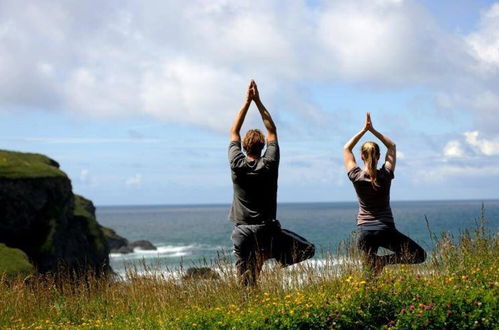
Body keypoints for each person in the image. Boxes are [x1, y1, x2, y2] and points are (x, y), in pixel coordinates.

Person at [228, 80, 314, 286]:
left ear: (244, 147)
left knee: (247, 285)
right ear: (262, 147)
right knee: (307, 249)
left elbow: (234, 132)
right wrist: (258, 101)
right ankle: (265, 256)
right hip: (267, 231)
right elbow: (272, 131)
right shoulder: (269, 164)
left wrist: (247, 102)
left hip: (242, 232)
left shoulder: (236, 163)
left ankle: (259, 261)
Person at [343, 113, 426, 275]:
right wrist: (373, 130)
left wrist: (363, 130)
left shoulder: (356, 176)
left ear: (361, 156)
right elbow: (392, 146)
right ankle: (382, 261)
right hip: (385, 229)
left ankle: (374, 272)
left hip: (365, 231)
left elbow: (346, 148)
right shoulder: (386, 175)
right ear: (379, 156)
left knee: (369, 276)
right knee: (419, 255)